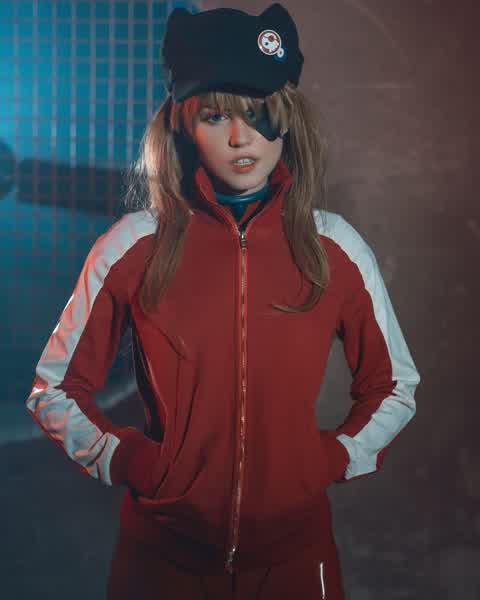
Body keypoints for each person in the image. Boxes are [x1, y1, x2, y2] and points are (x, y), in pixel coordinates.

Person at [26, 3, 421, 599]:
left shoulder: (334, 247)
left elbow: (394, 386)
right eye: (215, 116)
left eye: (260, 113)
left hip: (296, 563)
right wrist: (131, 460)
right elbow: (54, 389)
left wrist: (330, 459)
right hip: (160, 564)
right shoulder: (134, 246)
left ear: (287, 119)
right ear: (182, 126)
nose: (241, 138)